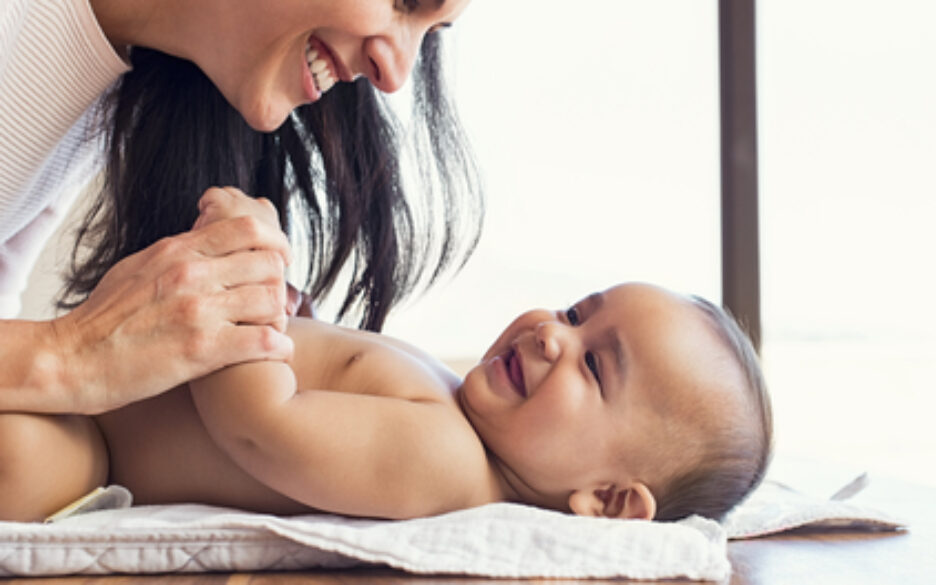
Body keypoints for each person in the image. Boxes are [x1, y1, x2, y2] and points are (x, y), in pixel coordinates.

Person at [0, 1, 480, 414]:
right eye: (405, 0)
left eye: (430, 35)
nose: (395, 77)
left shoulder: (98, 81)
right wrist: (71, 352)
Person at [0, 282, 773, 523]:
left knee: (21, 459)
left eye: (594, 366)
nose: (549, 334)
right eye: (576, 313)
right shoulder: (457, 409)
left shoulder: (447, 463)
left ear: (607, 499)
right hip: (100, 389)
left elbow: (262, 428)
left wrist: (242, 294)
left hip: (95, 444)